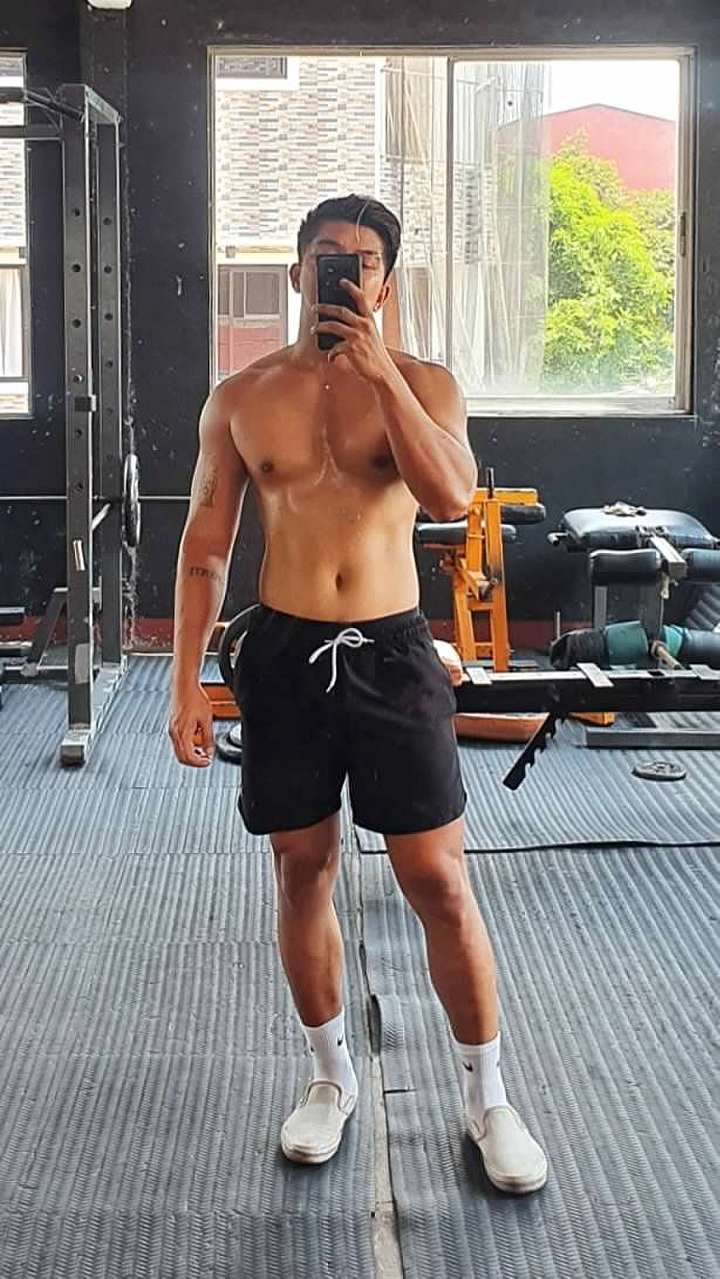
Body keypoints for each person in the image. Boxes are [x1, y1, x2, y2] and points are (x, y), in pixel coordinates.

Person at [169, 194, 548, 1194]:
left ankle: (488, 1098)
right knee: (302, 869)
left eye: (365, 259)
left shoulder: (424, 384)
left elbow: (451, 495)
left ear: (385, 281)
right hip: (284, 654)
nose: (345, 271)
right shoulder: (241, 396)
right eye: (328, 256)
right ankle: (330, 1078)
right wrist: (185, 681)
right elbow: (205, 546)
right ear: (298, 272)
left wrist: (380, 372)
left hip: (391, 651)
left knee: (438, 879)